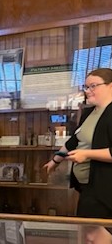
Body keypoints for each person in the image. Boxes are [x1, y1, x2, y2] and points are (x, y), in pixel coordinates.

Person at [43, 68, 112, 218]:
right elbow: (74, 141)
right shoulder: (88, 113)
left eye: (93, 86)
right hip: (86, 189)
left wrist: (87, 154)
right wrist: (55, 160)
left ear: (110, 86)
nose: (88, 91)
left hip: (105, 193)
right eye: (86, 87)